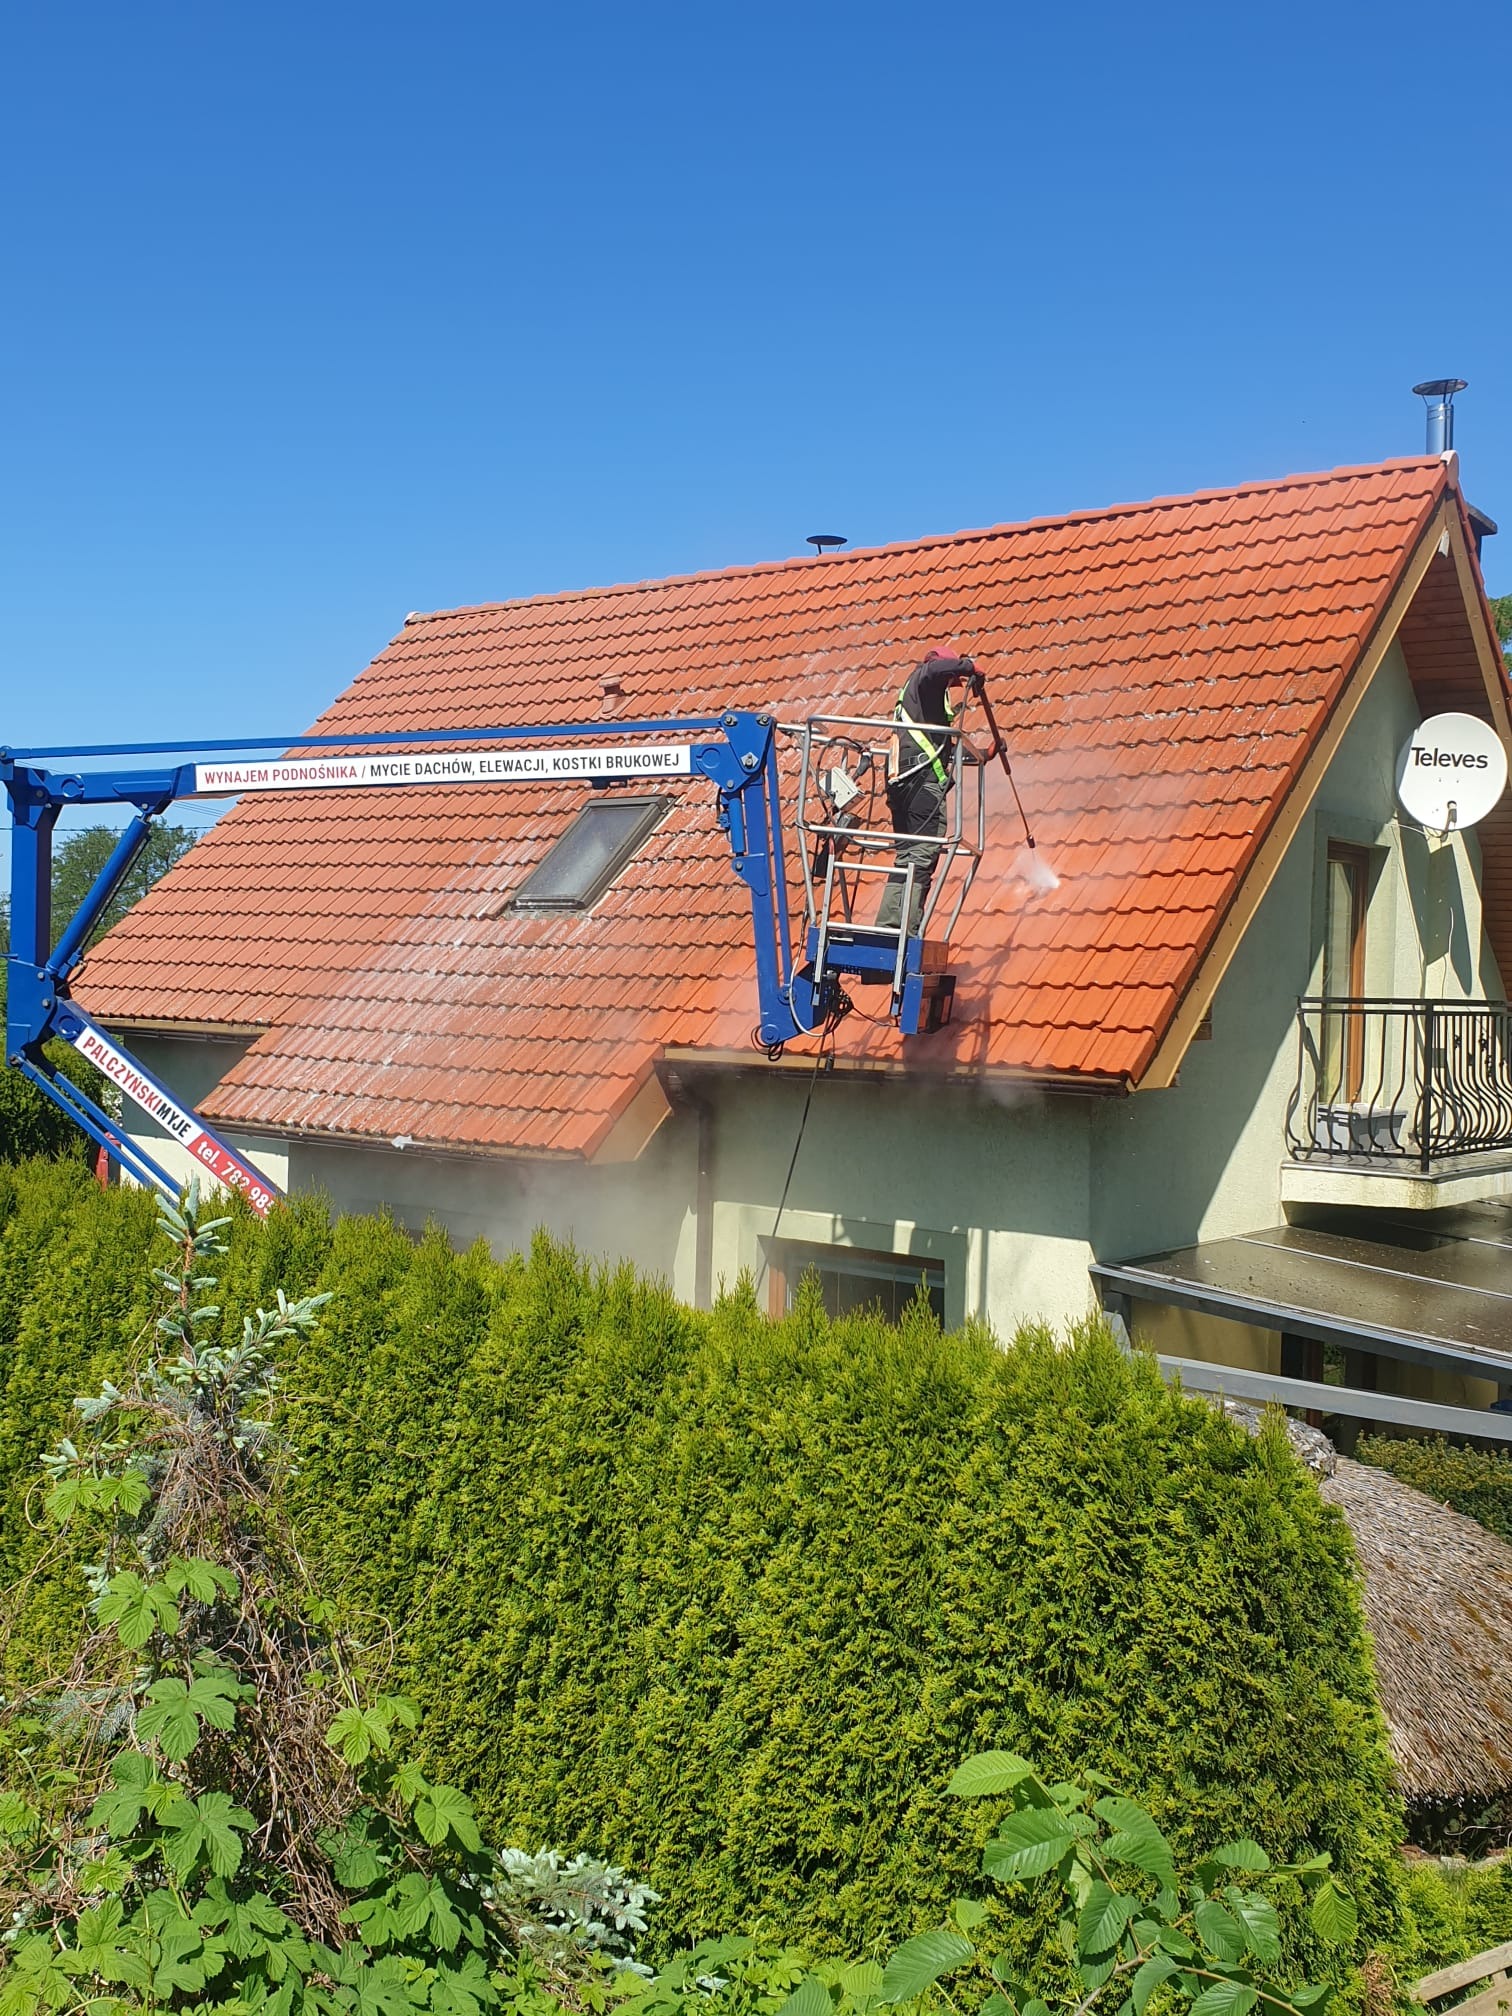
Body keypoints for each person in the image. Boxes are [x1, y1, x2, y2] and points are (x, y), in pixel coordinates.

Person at [875, 649, 984, 934]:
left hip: (904, 782)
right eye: (952, 680)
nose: (952, 685)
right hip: (921, 785)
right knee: (923, 855)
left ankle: (888, 926)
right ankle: (906, 933)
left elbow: (940, 750)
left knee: (908, 857)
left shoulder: (918, 705)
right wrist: (969, 666)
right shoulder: (925, 676)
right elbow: (934, 670)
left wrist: (984, 754)